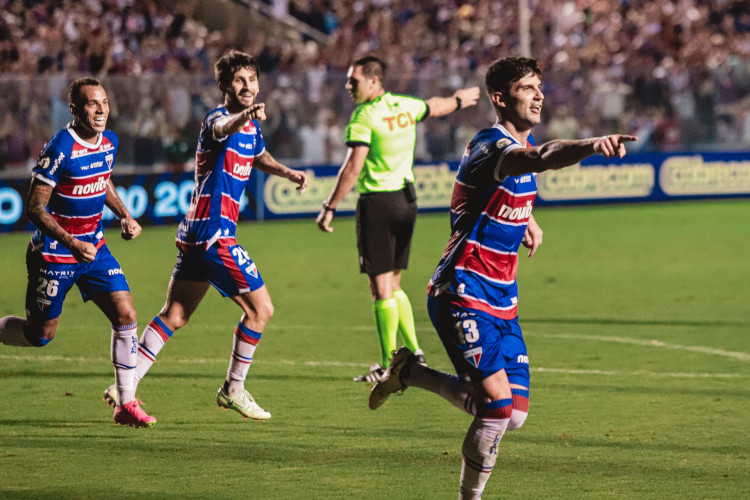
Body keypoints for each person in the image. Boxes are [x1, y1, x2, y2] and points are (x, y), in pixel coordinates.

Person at [368, 57, 637, 499]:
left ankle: (410, 373)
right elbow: (540, 157)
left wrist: (526, 221)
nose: (538, 95)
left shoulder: (515, 158)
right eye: (526, 87)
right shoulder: (490, 148)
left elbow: (503, 194)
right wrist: (591, 144)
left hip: (502, 299)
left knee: (514, 415)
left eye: (539, 87)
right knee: (495, 409)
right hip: (462, 290)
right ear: (499, 98)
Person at [101, 50, 308, 422]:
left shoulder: (250, 127)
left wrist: (287, 172)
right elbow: (223, 129)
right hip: (215, 234)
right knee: (261, 310)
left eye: (252, 80)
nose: (247, 86)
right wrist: (244, 115)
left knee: (175, 314)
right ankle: (233, 388)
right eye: (240, 80)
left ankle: (125, 383)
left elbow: (258, 154)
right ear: (225, 86)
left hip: (197, 233)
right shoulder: (217, 119)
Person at [0, 77, 155, 428]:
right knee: (40, 335)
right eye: (92, 104)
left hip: (95, 248)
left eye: (104, 102)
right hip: (55, 254)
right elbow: (35, 208)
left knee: (126, 313)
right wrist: (72, 243)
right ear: (74, 109)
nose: (101, 110)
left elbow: (104, 180)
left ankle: (125, 403)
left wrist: (126, 215)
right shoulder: (60, 148)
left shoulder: (109, 141)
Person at [316, 55, 481, 382]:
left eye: (354, 81)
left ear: (374, 81)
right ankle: (415, 351)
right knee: (393, 284)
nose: (349, 87)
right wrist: (459, 100)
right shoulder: (404, 105)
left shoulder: (364, 116)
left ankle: (386, 364)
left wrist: (329, 205)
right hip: (406, 202)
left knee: (380, 289)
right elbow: (433, 106)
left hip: (377, 203)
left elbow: (352, 167)